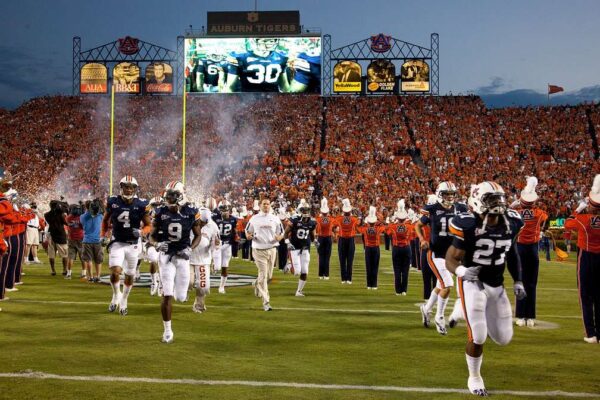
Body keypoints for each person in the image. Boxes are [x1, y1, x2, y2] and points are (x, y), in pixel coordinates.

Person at [445, 181, 526, 396]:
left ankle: (462, 309)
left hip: (496, 283)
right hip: (471, 281)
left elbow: (512, 253)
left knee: (503, 338)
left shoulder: (512, 222)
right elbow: (451, 258)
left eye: (500, 199)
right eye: (492, 200)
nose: (498, 204)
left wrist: (518, 280)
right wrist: (461, 272)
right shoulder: (468, 224)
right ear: (476, 201)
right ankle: (474, 377)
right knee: (478, 335)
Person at [149, 181, 207, 343]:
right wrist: (157, 244)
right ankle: (167, 331)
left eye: (173, 195)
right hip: (166, 256)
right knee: (167, 294)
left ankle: (178, 291)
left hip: (182, 256)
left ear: (181, 196)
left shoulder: (191, 212)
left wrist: (190, 249)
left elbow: (198, 235)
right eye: (168, 195)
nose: (169, 198)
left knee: (181, 297)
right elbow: (151, 235)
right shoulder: (160, 212)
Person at [415, 181, 468, 335]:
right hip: (436, 253)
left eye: (452, 194)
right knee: (447, 285)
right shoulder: (431, 209)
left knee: (440, 285)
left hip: (452, 254)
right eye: (447, 194)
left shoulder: (460, 208)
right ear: (439, 194)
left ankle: (426, 309)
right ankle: (439, 317)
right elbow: (418, 225)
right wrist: (422, 239)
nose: (450, 197)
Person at [101, 176, 151, 316]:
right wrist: (103, 234)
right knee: (115, 271)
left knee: (130, 275)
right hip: (117, 241)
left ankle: (124, 300)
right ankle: (116, 295)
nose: (128, 189)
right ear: (121, 187)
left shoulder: (141, 204)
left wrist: (141, 232)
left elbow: (148, 225)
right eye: (126, 186)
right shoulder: (113, 201)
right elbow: (105, 220)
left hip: (133, 244)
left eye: (131, 187)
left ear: (135, 189)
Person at [564, 174, 600, 344]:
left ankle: (590, 333)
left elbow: (568, 223)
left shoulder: (583, 219)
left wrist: (578, 208)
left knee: (585, 296)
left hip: (586, 257)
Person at [512, 176, 548, 327]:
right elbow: (544, 216)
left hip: (519, 248)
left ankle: (520, 316)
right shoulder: (540, 213)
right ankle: (530, 317)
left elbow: (507, 213)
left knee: (520, 282)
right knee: (532, 283)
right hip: (533, 249)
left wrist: (514, 205)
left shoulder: (515, 213)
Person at [245, 198, 285, 311]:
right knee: (263, 274)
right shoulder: (254, 218)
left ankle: (257, 283)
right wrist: (248, 236)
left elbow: (281, 232)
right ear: (260, 206)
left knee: (268, 276)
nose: (266, 206)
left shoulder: (275, 218)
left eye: (268, 204)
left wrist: (279, 237)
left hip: (272, 249)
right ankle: (266, 302)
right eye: (264, 204)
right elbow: (247, 230)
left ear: (270, 206)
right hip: (258, 250)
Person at [224, 38, 289, 93]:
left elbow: (284, 85)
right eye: (265, 40)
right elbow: (230, 87)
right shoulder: (240, 57)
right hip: (248, 99)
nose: (269, 43)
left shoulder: (281, 57)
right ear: (253, 41)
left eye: (271, 41)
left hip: (273, 98)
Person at [284, 199, 316, 296]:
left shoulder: (312, 222)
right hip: (295, 248)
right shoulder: (294, 220)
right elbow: (285, 233)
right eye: (304, 210)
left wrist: (315, 241)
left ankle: (298, 291)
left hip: (305, 249)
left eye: (307, 210)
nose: (306, 212)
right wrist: (287, 243)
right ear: (299, 210)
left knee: (305, 271)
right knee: (297, 272)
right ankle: (289, 264)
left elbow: (312, 234)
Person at [189, 207, 218, 313]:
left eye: (205, 223)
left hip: (203, 259)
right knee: (189, 282)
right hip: (189, 258)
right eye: (201, 222)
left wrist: (215, 259)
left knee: (203, 286)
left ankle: (199, 305)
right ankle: (183, 293)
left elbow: (215, 246)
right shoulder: (189, 221)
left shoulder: (213, 226)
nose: (203, 225)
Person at [386, 200, 414, 295]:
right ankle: (404, 291)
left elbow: (387, 232)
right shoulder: (409, 226)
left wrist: (392, 220)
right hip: (407, 248)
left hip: (396, 248)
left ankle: (398, 291)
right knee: (405, 270)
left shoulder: (393, 226)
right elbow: (413, 233)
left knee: (397, 270)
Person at [358, 206, 386, 290]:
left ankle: (369, 284)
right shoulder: (378, 228)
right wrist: (380, 221)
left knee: (368, 266)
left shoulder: (365, 228)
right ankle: (374, 284)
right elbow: (384, 227)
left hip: (368, 248)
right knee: (375, 266)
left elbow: (358, 228)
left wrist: (363, 221)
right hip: (376, 248)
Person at [213, 201, 238, 294]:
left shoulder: (233, 219)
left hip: (227, 245)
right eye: (222, 210)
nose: (224, 212)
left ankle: (222, 287)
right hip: (217, 244)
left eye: (225, 210)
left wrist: (236, 237)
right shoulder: (214, 218)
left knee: (225, 267)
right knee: (217, 267)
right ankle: (214, 266)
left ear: (229, 210)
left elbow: (235, 232)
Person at [333, 198, 360, 284]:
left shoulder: (339, 218)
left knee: (342, 259)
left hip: (342, 239)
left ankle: (343, 279)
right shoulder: (354, 219)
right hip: (351, 240)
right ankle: (349, 279)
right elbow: (359, 224)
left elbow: (333, 226)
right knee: (350, 260)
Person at [44, 200, 69, 276]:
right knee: (64, 254)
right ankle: (65, 269)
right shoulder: (60, 214)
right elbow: (66, 223)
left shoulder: (46, 215)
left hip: (52, 234)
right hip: (60, 235)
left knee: (51, 254)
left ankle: (53, 270)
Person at [315, 198, 334, 280]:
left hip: (320, 238)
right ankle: (326, 274)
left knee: (321, 256)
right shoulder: (331, 219)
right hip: (328, 238)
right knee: (327, 256)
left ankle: (320, 274)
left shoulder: (318, 219)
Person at [65, 203, 85, 280]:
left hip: (71, 238)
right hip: (81, 238)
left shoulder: (68, 218)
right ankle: (84, 273)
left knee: (71, 257)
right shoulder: (82, 217)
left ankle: (69, 274)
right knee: (83, 257)